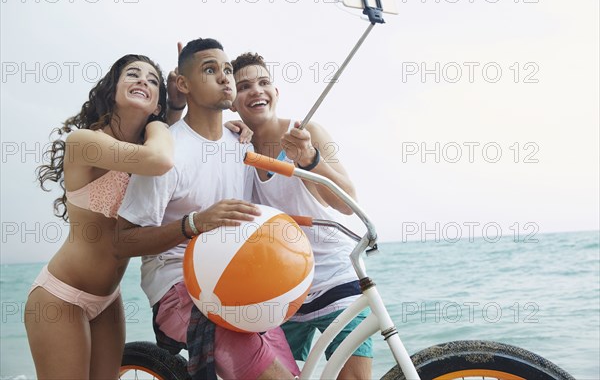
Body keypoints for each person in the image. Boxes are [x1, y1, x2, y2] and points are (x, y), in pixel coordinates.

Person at [114, 38, 300, 380]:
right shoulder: (167, 151)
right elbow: (122, 240)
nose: (225, 78)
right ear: (183, 84)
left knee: (290, 373)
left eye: (227, 70)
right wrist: (193, 223)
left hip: (235, 278)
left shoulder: (240, 145)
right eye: (210, 70)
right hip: (177, 285)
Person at [25, 54, 174, 379]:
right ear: (112, 89)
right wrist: (162, 120)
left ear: (157, 103)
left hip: (108, 299)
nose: (142, 81)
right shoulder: (85, 142)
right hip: (60, 297)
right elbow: (160, 159)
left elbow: (174, 149)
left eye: (152, 81)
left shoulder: (147, 145)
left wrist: (234, 127)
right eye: (132, 74)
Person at [230, 52, 373, 379]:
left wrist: (309, 158)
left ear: (276, 93)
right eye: (244, 86)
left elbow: (347, 202)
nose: (256, 91)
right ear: (231, 102)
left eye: (264, 82)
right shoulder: (234, 147)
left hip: (334, 280)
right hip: (280, 292)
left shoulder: (308, 132)